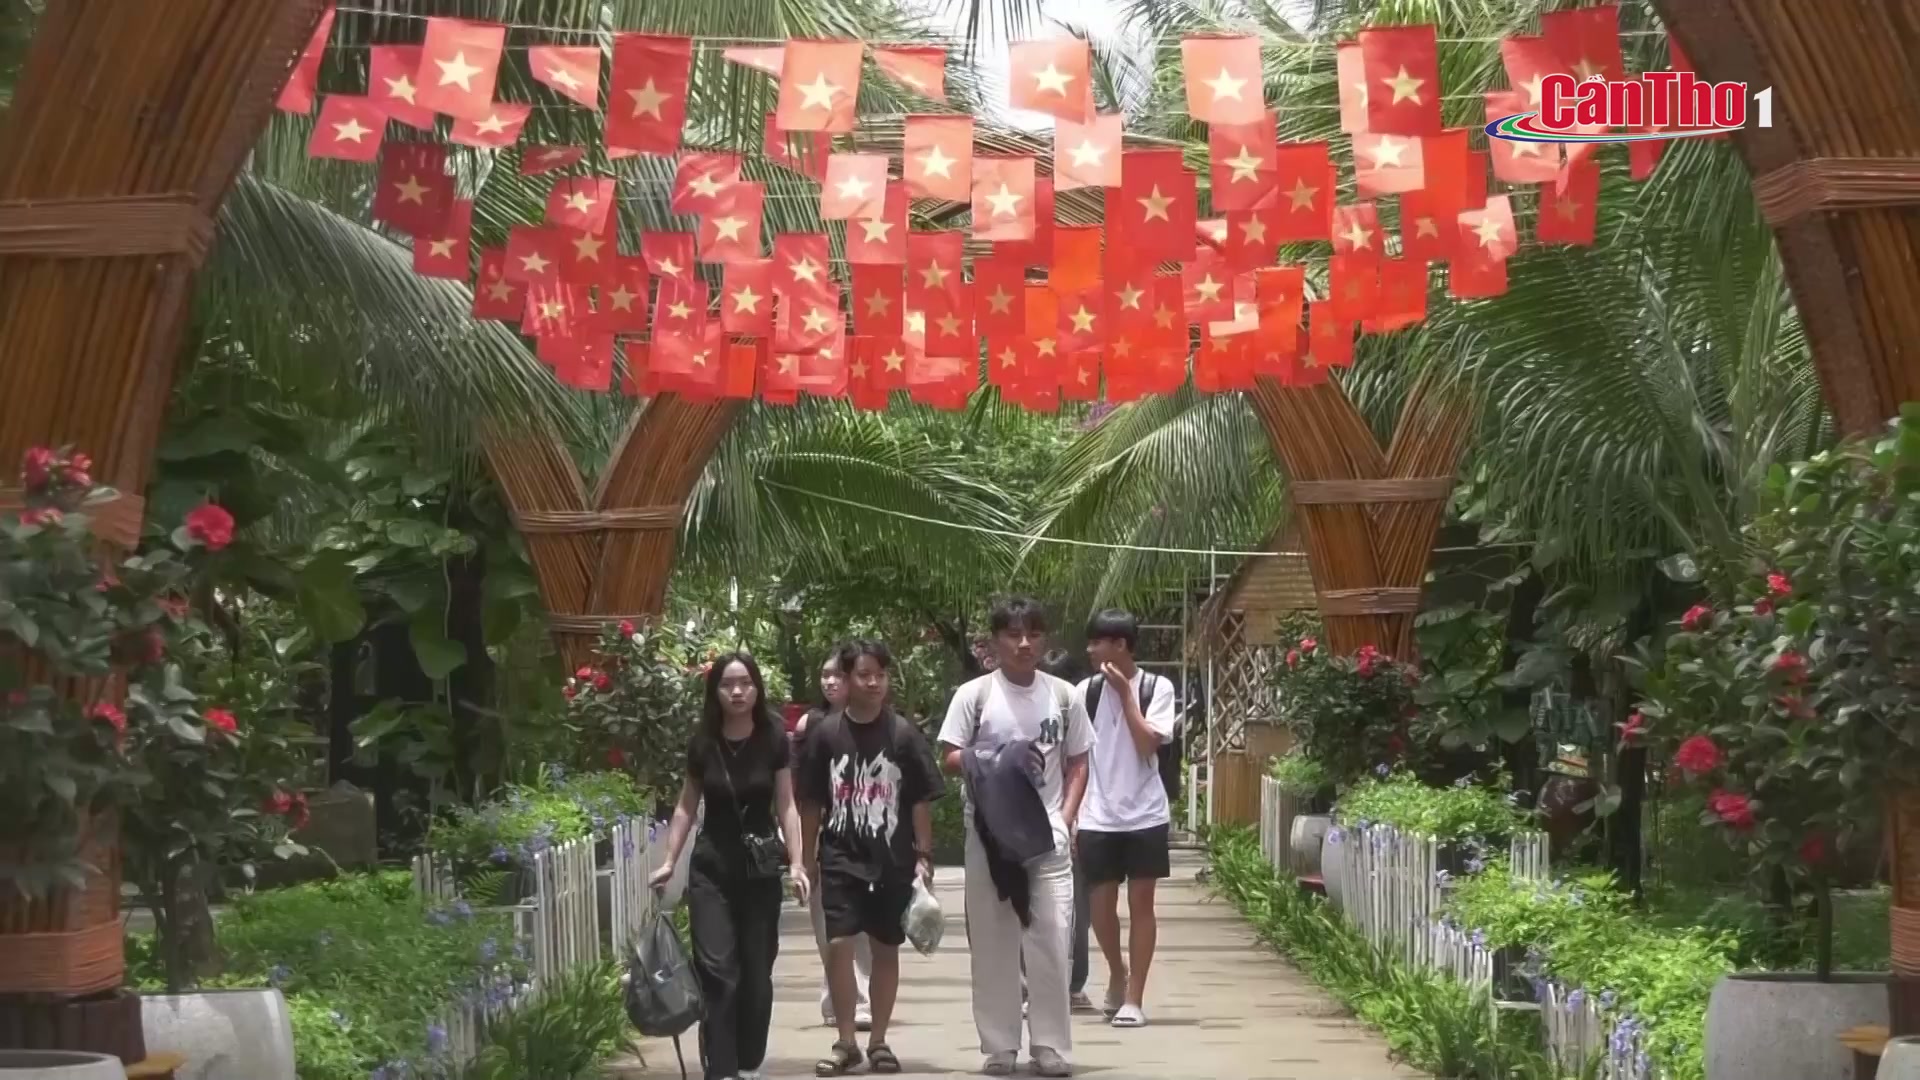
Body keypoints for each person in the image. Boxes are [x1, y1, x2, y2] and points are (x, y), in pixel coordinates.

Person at [938, 597, 1093, 1078]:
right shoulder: (974, 696)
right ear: (994, 642)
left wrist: (1065, 819)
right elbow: (949, 756)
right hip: (989, 836)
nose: (1024, 643)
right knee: (992, 943)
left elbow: (1079, 760)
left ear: (1045, 639)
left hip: (1047, 836)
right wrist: (994, 757)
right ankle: (1000, 1046)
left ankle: (1049, 1046)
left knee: (1053, 940)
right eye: (1013, 634)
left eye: (1034, 634)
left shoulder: (1064, 696)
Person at [650, 652, 810, 1080]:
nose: (737, 692)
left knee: (756, 975)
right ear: (715, 691)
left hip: (759, 873)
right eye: (727, 684)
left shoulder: (773, 737)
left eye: (745, 683)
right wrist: (669, 861)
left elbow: (787, 804)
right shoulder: (703, 741)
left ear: (757, 688)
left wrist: (797, 864)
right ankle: (720, 1067)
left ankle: (747, 1061)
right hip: (711, 870)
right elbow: (686, 806)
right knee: (718, 973)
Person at [798, 639, 941, 1076]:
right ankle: (846, 1041)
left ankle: (878, 1040)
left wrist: (923, 855)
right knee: (839, 944)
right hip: (839, 856)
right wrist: (805, 860)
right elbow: (810, 803)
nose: (874, 682)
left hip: (891, 860)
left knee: (885, 947)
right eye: (864, 675)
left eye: (880, 674)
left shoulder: (903, 734)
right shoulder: (825, 734)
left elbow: (919, 800)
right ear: (846, 679)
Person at [1075, 609, 1178, 1029]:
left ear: (1120, 645)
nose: (1090, 649)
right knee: (1100, 907)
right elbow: (1074, 756)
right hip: (1097, 814)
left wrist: (1125, 695)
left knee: (1141, 905)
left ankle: (1134, 998)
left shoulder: (1158, 687)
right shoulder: (1085, 691)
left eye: (1097, 642)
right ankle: (1117, 972)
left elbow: (1147, 744)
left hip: (1145, 813)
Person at [793, 653, 873, 1031]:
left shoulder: (877, 723)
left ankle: (862, 1002)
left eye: (837, 675)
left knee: (864, 926)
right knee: (828, 924)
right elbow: (797, 785)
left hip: (868, 835)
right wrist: (802, 849)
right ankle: (835, 1001)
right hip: (824, 833)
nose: (830, 682)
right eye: (824, 675)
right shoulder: (811, 725)